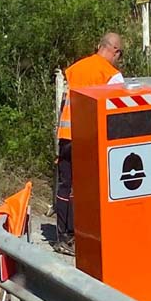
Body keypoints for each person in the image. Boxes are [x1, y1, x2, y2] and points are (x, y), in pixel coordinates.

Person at [54, 33, 125, 256]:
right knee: (85, 189)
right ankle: (80, 237)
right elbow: (115, 115)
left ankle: (61, 236)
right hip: (89, 139)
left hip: (66, 135)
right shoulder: (112, 76)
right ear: (115, 51)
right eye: (120, 55)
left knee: (65, 186)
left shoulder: (76, 68)